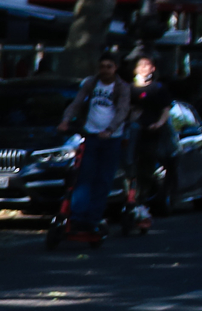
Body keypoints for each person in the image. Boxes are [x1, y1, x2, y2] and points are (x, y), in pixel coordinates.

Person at [58, 52, 133, 234]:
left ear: (115, 68)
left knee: (103, 179)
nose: (105, 70)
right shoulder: (91, 83)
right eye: (102, 66)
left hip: (111, 139)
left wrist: (110, 130)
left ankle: (93, 219)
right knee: (84, 177)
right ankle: (77, 218)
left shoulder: (122, 87)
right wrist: (66, 120)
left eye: (109, 66)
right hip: (91, 136)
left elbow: (122, 111)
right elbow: (76, 103)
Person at [129, 53, 172, 211]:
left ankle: (142, 200)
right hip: (131, 133)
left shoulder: (158, 88)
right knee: (129, 166)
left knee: (146, 167)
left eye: (147, 65)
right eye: (141, 65)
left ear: (152, 69)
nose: (144, 69)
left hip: (151, 134)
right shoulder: (128, 89)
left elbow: (165, 109)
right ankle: (130, 198)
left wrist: (159, 124)